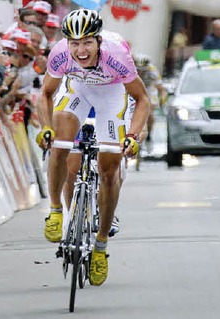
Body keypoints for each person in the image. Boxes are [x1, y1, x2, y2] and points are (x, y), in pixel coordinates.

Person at [36, 9, 150, 286]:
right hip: (78, 90)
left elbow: (143, 99)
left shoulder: (116, 56)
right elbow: (46, 94)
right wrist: (45, 128)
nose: (81, 50)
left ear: (98, 40)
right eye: (74, 43)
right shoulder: (60, 53)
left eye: (87, 42)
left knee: (109, 169)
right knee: (61, 147)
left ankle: (100, 246)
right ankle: (56, 211)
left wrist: (133, 135)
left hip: (113, 95)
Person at [133, 53, 167, 143]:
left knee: (149, 113)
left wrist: (162, 100)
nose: (141, 72)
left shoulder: (152, 70)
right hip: (137, 88)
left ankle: (149, 132)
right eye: (138, 70)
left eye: (143, 70)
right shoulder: (131, 69)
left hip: (149, 90)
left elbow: (161, 89)